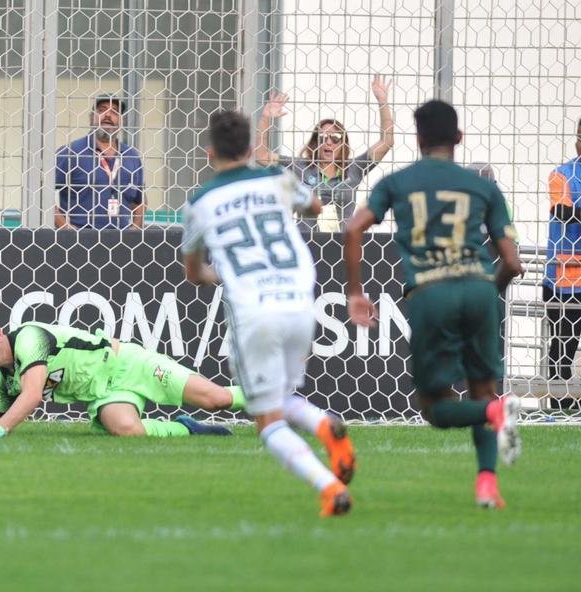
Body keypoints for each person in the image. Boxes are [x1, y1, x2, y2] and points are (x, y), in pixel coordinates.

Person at [343, 99, 525, 509]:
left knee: (436, 409)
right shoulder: (485, 186)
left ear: (418, 138)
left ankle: (495, 421)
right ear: (458, 138)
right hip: (479, 287)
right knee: (484, 392)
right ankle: (487, 484)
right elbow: (512, 262)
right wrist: (487, 291)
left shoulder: (397, 182)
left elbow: (353, 228)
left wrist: (356, 292)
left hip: (430, 291)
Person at [183, 110, 356, 518]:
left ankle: (329, 486)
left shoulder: (200, 201)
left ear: (210, 153)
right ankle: (323, 424)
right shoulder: (278, 179)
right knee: (282, 397)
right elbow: (315, 206)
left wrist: (217, 272)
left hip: (255, 311)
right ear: (248, 150)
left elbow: (194, 273)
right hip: (300, 301)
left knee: (267, 420)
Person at [0, 315, 245, 439]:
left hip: (128, 363)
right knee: (129, 432)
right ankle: (187, 429)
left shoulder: (29, 337)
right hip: (104, 395)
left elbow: (33, 395)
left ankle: (273, 400)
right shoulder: (4, 380)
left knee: (216, 399)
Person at [254, 76, 394, 233]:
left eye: (335, 138)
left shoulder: (354, 168)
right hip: (307, 242)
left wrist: (382, 101)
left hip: (341, 244)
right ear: (315, 142)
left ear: (343, 144)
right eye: (322, 138)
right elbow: (261, 156)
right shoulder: (301, 166)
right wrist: (265, 117)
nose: (328, 142)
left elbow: (386, 143)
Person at [54, 96, 146, 229]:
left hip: (122, 241)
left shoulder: (132, 156)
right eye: (102, 110)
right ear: (92, 118)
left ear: (122, 121)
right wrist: (65, 227)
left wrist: (135, 229)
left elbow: (140, 200)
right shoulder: (71, 152)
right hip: (79, 240)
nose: (108, 115)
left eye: (114, 111)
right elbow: (43, 193)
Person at [544, 117, 581, 407]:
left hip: (568, 280)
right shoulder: (562, 174)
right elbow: (562, 212)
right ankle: (561, 404)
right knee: (563, 346)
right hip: (565, 280)